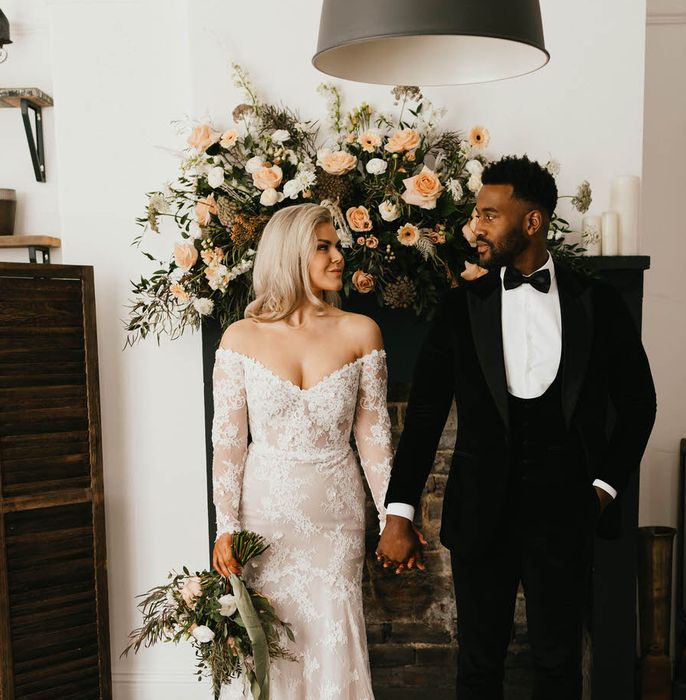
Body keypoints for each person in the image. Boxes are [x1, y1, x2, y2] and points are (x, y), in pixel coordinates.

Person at [376, 156, 656, 699]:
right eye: (477, 215)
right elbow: (426, 416)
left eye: (488, 215)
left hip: (566, 517)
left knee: (558, 665)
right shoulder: (461, 308)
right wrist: (400, 511)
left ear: (531, 222)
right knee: (478, 666)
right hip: (481, 514)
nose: (475, 228)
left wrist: (602, 490)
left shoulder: (598, 304)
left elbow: (639, 403)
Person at [211, 203, 392, 699]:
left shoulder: (361, 332)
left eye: (338, 246)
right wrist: (226, 527)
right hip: (264, 518)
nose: (339, 257)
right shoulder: (240, 338)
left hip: (336, 516)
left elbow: (374, 439)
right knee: (272, 638)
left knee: (336, 627)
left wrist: (390, 516)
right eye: (324, 247)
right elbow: (227, 444)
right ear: (291, 255)